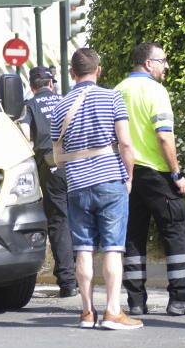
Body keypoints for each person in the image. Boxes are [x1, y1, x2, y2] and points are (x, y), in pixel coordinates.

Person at [115, 42, 185, 316]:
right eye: (163, 61)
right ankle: (179, 297)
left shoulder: (118, 90)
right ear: (148, 63)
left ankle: (136, 301)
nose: (166, 66)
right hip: (157, 173)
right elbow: (164, 136)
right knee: (174, 231)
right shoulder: (155, 91)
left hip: (128, 174)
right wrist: (177, 174)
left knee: (133, 236)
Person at [51, 47, 140, 330]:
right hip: (110, 179)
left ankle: (87, 312)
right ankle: (113, 311)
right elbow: (125, 143)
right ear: (98, 70)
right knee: (113, 248)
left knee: (83, 249)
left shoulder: (60, 106)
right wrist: (129, 175)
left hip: (77, 184)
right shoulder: (112, 97)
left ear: (71, 73)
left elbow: (58, 152)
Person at [21, 65, 77, 297]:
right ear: (51, 84)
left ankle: (68, 280)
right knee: (77, 216)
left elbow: (25, 135)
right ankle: (82, 274)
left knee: (58, 220)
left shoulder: (30, 106)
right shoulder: (65, 100)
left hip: (50, 165)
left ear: (33, 87)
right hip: (76, 161)